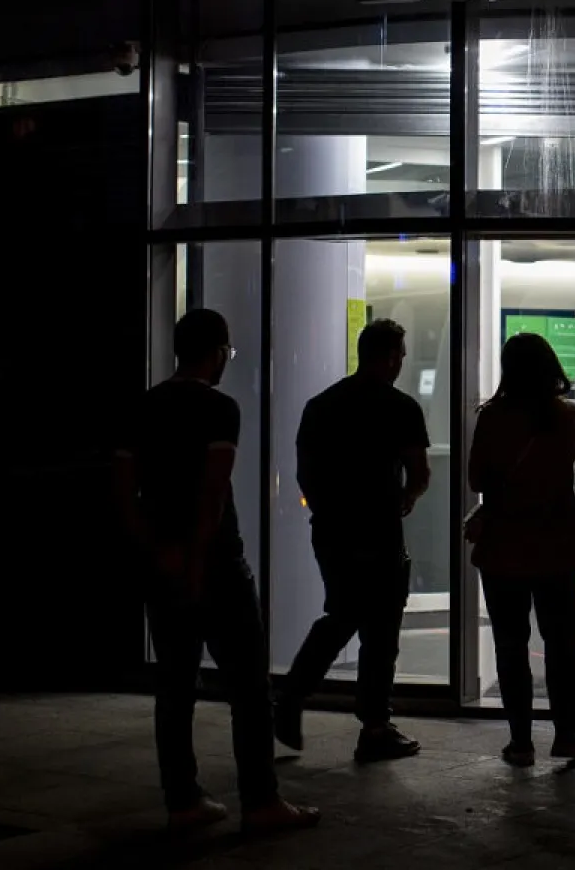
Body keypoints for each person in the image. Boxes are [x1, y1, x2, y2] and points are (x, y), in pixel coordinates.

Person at [113, 309, 319, 834]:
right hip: (218, 563)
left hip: (160, 562)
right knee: (248, 688)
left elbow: (124, 493)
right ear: (216, 351)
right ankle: (260, 801)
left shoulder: (142, 405)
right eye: (227, 352)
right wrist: (197, 562)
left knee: (175, 687)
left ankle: (182, 800)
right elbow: (211, 493)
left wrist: (158, 551)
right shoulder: (219, 408)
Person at [273, 319, 430, 764]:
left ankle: (291, 696)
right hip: (380, 531)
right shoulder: (400, 407)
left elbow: (305, 473)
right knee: (380, 632)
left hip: (332, 530)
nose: (401, 361)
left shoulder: (321, 405)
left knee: (341, 615)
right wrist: (406, 499)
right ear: (389, 356)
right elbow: (419, 473)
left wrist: (328, 510)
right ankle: (374, 728)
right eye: (400, 354)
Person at [469, 333, 575, 767]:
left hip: (504, 539)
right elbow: (561, 474)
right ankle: (567, 734)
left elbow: (476, 480)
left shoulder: (491, 417)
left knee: (510, 643)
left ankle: (520, 741)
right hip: (555, 539)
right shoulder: (567, 416)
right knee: (562, 642)